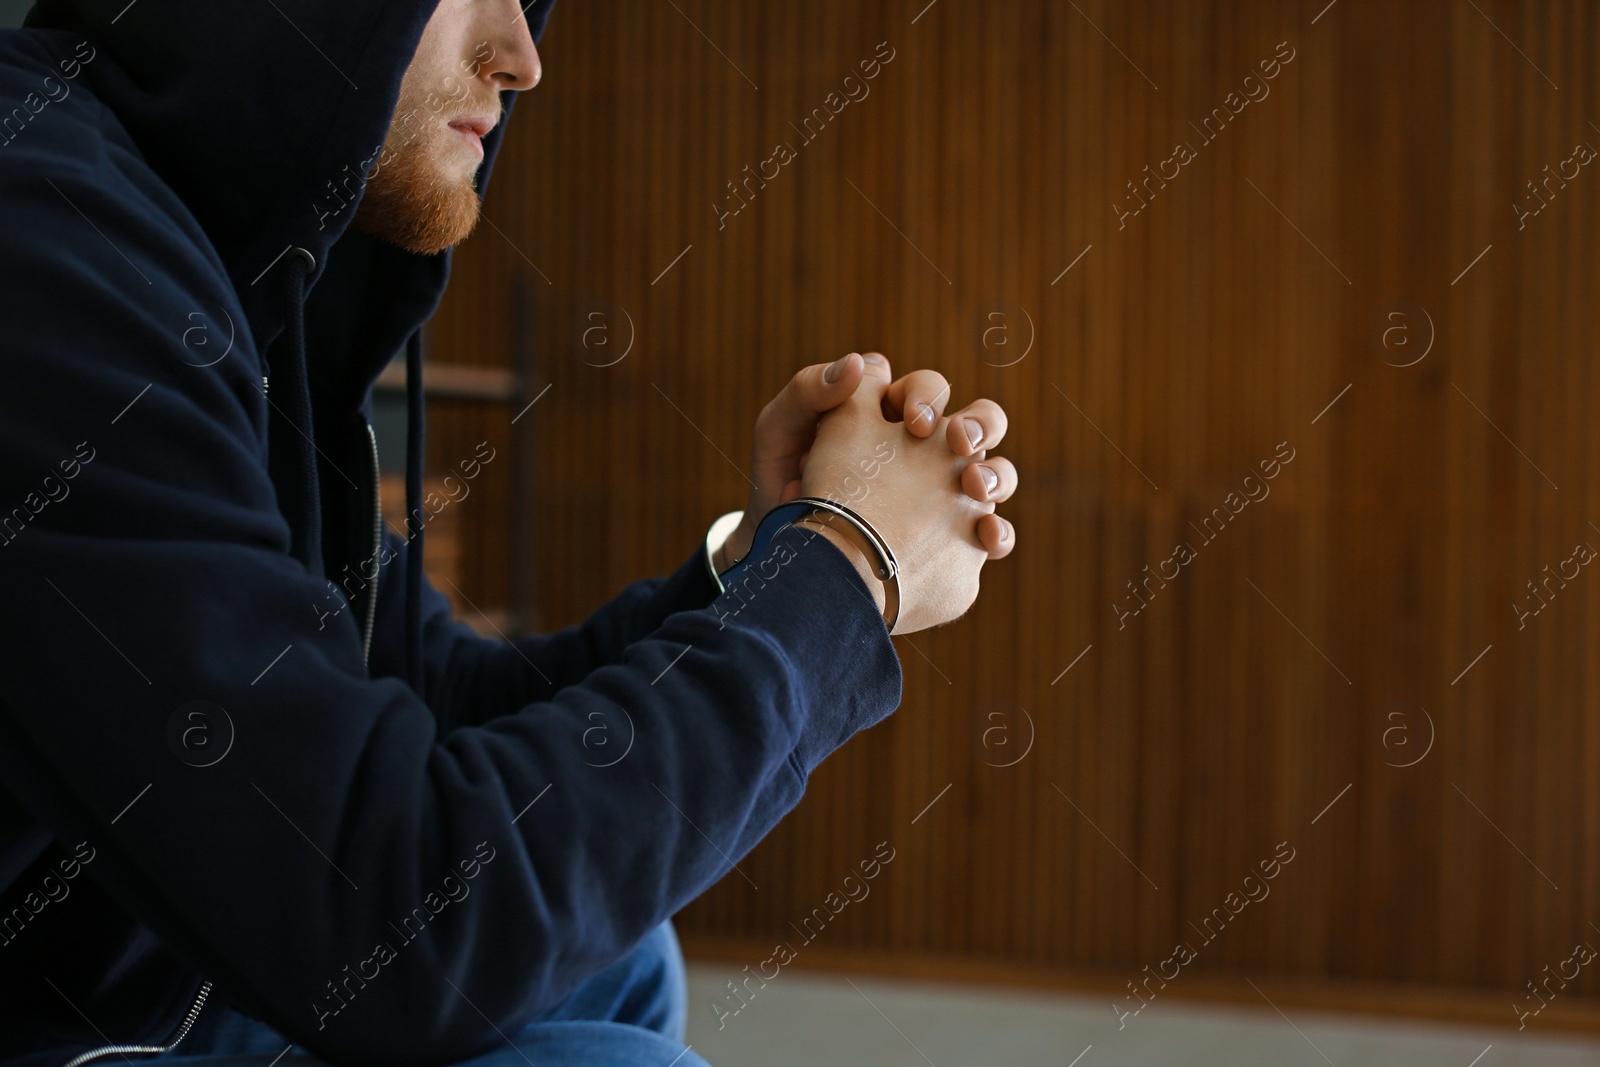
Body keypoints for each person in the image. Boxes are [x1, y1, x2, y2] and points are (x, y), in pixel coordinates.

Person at [0, 1, 1019, 1065]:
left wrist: (765, 559)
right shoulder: (43, 237)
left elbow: (437, 704)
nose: (522, 60)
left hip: (138, 973)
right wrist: (849, 570)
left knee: (623, 957)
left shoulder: (216, 262)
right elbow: (395, 922)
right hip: (59, 1015)